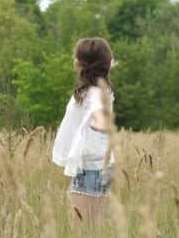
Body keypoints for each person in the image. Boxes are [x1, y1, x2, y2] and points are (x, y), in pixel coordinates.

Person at [52, 37, 115, 237]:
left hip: (90, 169)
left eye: (75, 55)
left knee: (78, 227)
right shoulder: (99, 89)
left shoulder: (93, 93)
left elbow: (99, 111)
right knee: (95, 226)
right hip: (99, 165)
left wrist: (101, 122)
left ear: (79, 63)